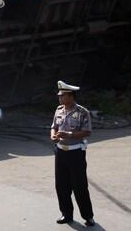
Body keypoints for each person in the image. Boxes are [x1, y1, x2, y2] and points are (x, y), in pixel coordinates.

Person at [50, 80, 95, 227]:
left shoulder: (82, 112)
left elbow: (87, 131)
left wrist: (68, 134)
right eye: (59, 96)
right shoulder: (58, 110)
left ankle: (88, 216)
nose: (60, 98)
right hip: (60, 151)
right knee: (61, 185)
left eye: (62, 95)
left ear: (70, 96)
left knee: (79, 185)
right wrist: (53, 135)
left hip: (76, 152)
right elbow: (54, 127)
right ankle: (66, 214)